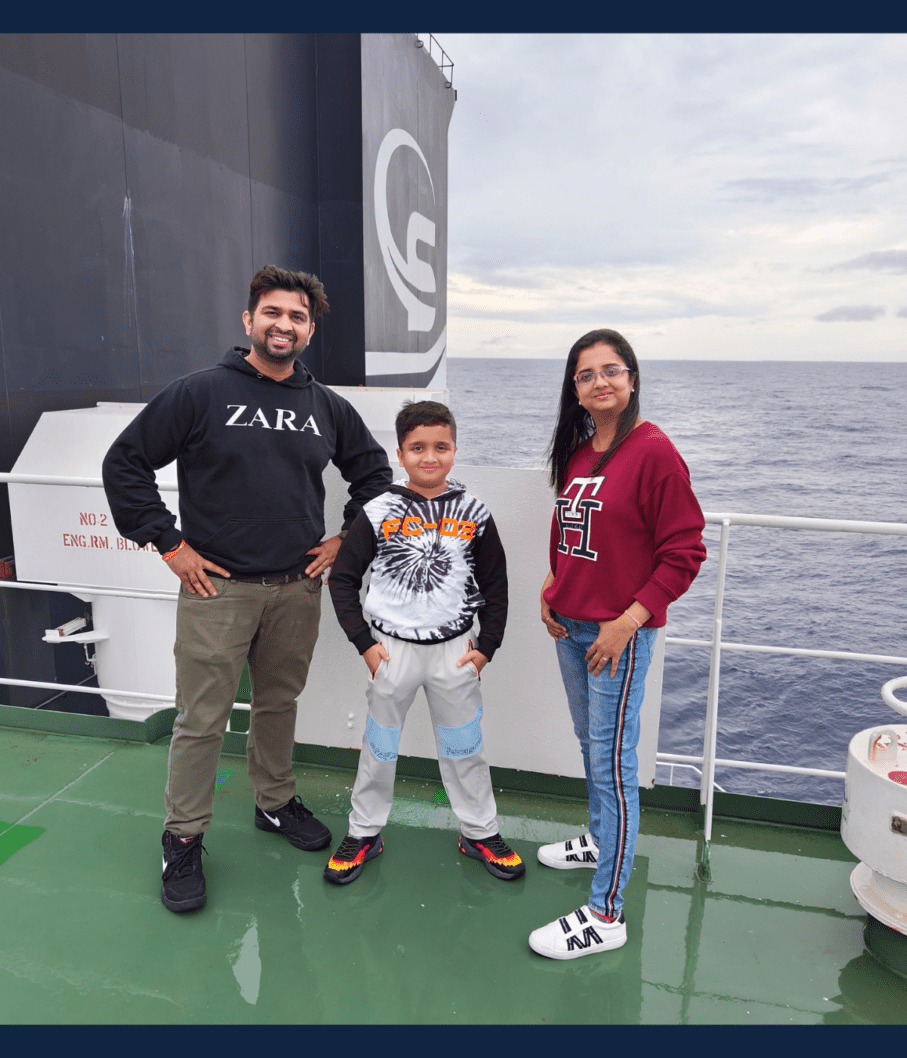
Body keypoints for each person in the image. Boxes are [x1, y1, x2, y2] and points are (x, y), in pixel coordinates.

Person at [102, 265, 393, 914]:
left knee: (278, 703)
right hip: (218, 591)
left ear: (310, 331)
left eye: (296, 317)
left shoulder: (325, 406)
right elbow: (125, 463)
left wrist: (347, 539)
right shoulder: (201, 393)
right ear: (248, 321)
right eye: (272, 313)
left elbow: (373, 471)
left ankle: (274, 802)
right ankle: (182, 838)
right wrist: (170, 545)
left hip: (296, 589)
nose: (283, 325)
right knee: (200, 720)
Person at [528, 329, 707, 960]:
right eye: (586, 374)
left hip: (615, 636)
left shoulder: (654, 452)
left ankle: (606, 913)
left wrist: (629, 620)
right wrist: (552, 586)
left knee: (612, 765)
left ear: (631, 378)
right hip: (573, 626)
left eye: (612, 370)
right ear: (574, 390)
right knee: (591, 746)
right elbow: (573, 531)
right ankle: (604, 841)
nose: (600, 382)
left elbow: (685, 551)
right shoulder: (578, 453)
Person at [324, 401, 520, 885]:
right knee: (379, 747)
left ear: (454, 450)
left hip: (456, 653)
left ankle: (479, 831)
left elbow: (496, 583)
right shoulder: (379, 510)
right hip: (392, 651)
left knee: (464, 747)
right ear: (400, 453)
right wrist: (365, 645)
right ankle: (364, 831)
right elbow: (343, 580)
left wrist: (486, 646)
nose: (429, 457)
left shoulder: (474, 511)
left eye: (440, 447)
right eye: (417, 448)